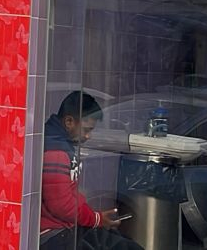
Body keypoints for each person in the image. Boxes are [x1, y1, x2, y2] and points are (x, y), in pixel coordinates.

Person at [41, 92, 141, 250]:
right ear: (69, 122)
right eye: (86, 129)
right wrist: (96, 219)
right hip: (54, 234)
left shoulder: (62, 145)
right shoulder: (56, 152)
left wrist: (95, 218)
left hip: (66, 227)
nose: (88, 136)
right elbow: (61, 206)